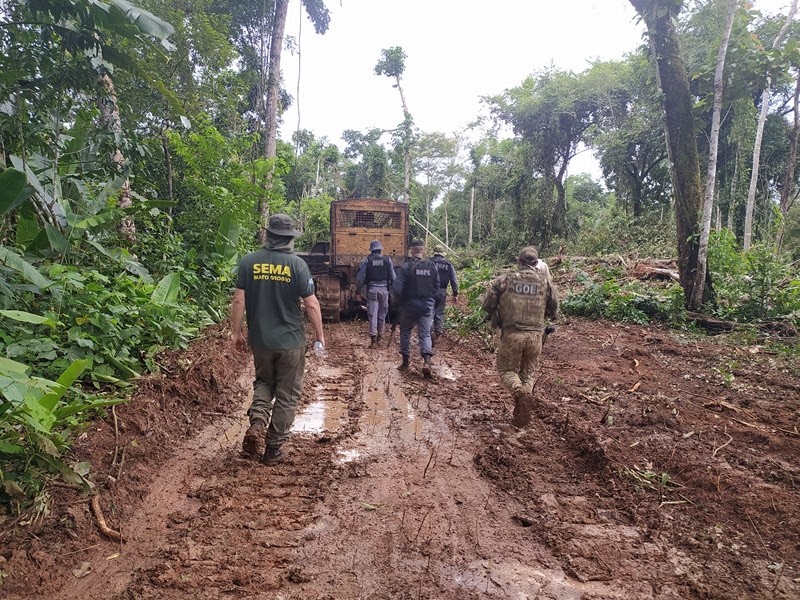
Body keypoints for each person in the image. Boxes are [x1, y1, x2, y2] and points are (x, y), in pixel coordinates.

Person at [230, 214, 326, 464]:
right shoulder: (297, 265)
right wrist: (319, 336)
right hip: (291, 341)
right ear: (289, 239)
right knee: (286, 394)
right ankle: (273, 449)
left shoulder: (248, 262)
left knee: (263, 382)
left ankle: (258, 421)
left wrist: (237, 333)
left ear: (268, 235)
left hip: (260, 340)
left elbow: (239, 299)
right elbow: (312, 305)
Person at [480, 246, 558, 428]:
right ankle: (522, 410)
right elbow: (553, 311)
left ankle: (519, 394)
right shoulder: (545, 283)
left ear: (519, 262)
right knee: (527, 374)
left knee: (507, 371)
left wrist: (493, 312)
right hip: (536, 337)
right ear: (536, 263)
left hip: (513, 334)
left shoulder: (506, 280)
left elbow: (488, 304)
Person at [391, 239, 440, 377]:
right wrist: (432, 303)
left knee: (405, 331)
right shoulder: (432, 266)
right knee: (425, 333)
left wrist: (398, 302)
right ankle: (426, 362)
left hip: (409, 305)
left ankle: (405, 363)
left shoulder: (407, 267)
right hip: (426, 305)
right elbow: (437, 288)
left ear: (412, 251)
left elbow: (397, 287)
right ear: (423, 251)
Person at [356, 239, 396, 348]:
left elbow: (360, 279)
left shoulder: (367, 261)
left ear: (371, 250)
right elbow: (393, 278)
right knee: (382, 315)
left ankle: (373, 341)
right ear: (380, 250)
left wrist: (358, 292)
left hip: (372, 290)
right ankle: (380, 339)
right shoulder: (388, 260)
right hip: (384, 291)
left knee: (373, 315)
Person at [431, 244, 458, 343]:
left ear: (434, 253)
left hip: (429, 291)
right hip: (442, 291)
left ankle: (429, 332)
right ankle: (437, 332)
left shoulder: (428, 262)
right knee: (439, 313)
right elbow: (454, 280)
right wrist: (455, 294)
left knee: (429, 312)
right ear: (442, 254)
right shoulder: (448, 264)